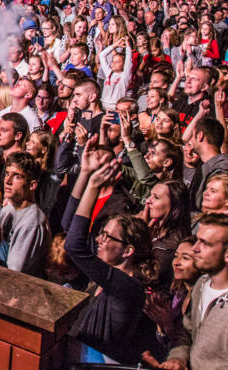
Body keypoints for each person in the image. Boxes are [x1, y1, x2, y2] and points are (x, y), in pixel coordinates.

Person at [65, 152, 158, 365]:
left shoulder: (128, 288)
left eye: (106, 236)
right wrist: (85, 173)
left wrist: (93, 186)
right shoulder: (107, 275)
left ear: (128, 251)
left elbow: (74, 245)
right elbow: (69, 228)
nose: (99, 239)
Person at [147, 213, 228, 370]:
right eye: (197, 240)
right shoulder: (202, 285)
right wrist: (178, 358)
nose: (195, 248)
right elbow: (186, 334)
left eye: (205, 243)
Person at [0, 152, 51, 277]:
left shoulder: (32, 222)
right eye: (7, 174)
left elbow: (13, 273)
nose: (7, 181)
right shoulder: (8, 209)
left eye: (17, 176)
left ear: (32, 185)